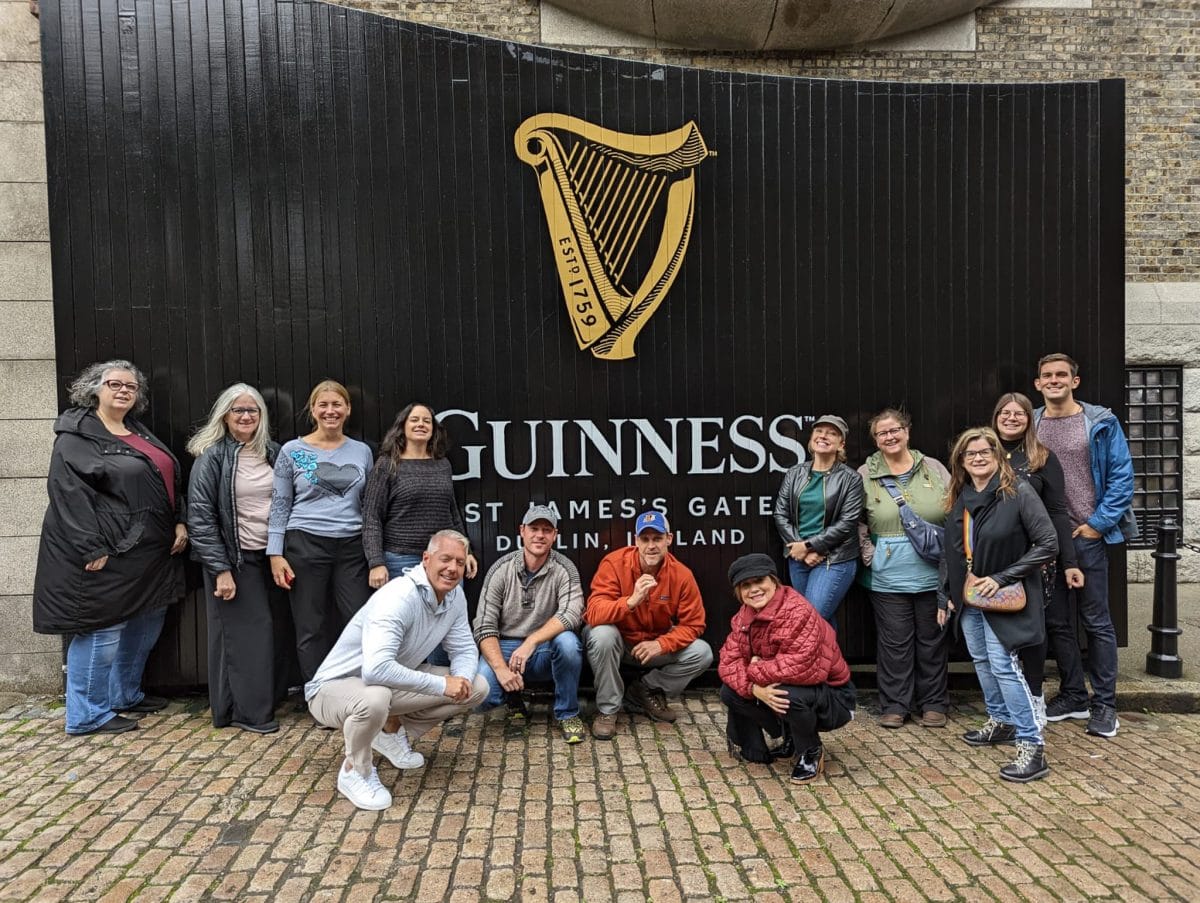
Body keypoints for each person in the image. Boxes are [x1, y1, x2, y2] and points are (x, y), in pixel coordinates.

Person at [33, 360, 188, 735]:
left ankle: (123, 694)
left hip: (148, 552)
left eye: (131, 387)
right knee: (101, 629)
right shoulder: (77, 435)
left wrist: (179, 519)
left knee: (147, 618)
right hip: (107, 551)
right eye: (115, 384)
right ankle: (86, 714)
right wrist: (91, 546)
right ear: (94, 388)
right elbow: (68, 494)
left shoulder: (135, 430)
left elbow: (165, 476)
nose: (123, 391)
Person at [305, 530, 488, 810]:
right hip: (333, 689)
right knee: (375, 698)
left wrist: (460, 678)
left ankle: (388, 733)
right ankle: (356, 770)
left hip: (387, 683)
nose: (452, 568)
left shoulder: (454, 598)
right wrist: (442, 685)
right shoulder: (398, 597)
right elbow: (375, 670)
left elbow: (463, 648)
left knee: (476, 687)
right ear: (426, 559)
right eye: (445, 559)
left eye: (460, 563)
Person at [940, 427, 1058, 783]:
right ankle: (1002, 721)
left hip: (1004, 595)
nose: (977, 458)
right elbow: (953, 552)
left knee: (1004, 665)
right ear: (960, 461)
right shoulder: (960, 497)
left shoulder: (1018, 492)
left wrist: (1003, 577)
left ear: (997, 456)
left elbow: (1048, 543)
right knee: (981, 659)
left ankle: (1031, 744)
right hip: (970, 596)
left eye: (984, 452)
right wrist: (945, 591)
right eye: (969, 453)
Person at [1034, 353, 1136, 738]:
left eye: (1062, 375)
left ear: (1075, 381)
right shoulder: (1032, 422)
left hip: (1087, 538)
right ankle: (1073, 694)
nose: (1055, 380)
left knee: (1096, 621)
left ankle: (1105, 704)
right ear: (1038, 383)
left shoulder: (1100, 423)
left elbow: (1122, 478)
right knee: (1057, 622)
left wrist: (1097, 524)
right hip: (1047, 540)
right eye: (1047, 375)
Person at [187, 383, 286, 734]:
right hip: (235, 559)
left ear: (262, 417)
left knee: (269, 633)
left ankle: (262, 702)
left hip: (271, 556)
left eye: (252, 411)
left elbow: (315, 480)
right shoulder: (210, 456)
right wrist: (220, 570)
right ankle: (248, 713)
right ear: (225, 416)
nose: (246, 416)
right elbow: (200, 517)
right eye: (238, 410)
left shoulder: (275, 452)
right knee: (247, 635)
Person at [718, 554, 856, 784]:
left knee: (784, 692)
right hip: (787, 683)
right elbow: (727, 663)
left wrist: (754, 668)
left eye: (759, 581)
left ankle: (810, 751)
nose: (753, 589)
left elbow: (800, 667)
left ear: (774, 581)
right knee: (729, 691)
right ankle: (779, 742)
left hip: (834, 697)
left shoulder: (797, 611)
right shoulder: (744, 616)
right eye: (745, 585)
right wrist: (754, 689)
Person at [268, 380, 374, 681]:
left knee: (358, 620)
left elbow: (368, 504)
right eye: (323, 405)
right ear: (313, 410)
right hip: (305, 544)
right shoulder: (292, 450)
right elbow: (279, 503)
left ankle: (354, 689)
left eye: (337, 404)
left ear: (348, 409)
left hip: (352, 547)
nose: (331, 411)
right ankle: (318, 693)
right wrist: (275, 553)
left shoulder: (362, 451)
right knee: (309, 626)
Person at [992, 392, 1085, 728]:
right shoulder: (984, 452)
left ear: (1030, 420)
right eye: (1006, 412)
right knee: (1004, 629)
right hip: (997, 558)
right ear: (996, 416)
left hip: (1039, 558)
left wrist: (1069, 561)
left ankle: (1055, 696)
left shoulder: (1042, 457)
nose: (1012, 418)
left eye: (1019, 413)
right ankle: (1010, 698)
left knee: (1049, 626)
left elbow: (1059, 512)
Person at [858, 408, 952, 729]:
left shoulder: (935, 468)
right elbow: (855, 519)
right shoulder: (864, 473)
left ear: (907, 432)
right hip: (887, 575)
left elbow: (954, 510)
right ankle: (895, 704)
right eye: (882, 433)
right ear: (876, 440)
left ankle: (933, 703)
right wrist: (868, 552)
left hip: (933, 571)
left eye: (895, 429)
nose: (890, 436)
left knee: (932, 640)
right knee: (894, 643)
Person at [584, 511, 713, 740]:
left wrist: (662, 644)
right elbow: (593, 613)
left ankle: (645, 689)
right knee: (601, 634)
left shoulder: (681, 575)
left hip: (652, 647)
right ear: (636, 541)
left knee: (702, 652)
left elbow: (694, 624)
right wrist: (631, 601)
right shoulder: (614, 564)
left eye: (657, 538)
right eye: (645, 539)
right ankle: (608, 709)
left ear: (669, 539)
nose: (651, 545)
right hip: (619, 643)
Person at [472, 505, 586, 743]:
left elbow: (572, 614)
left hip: (543, 647)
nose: (540, 535)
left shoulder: (565, 569)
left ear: (555, 535)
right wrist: (502, 670)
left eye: (546, 530)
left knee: (568, 643)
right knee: (481, 697)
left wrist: (532, 640)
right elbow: (484, 625)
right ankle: (513, 698)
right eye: (534, 528)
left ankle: (567, 713)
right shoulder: (500, 569)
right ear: (522, 531)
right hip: (505, 647)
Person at [363, 401, 478, 589]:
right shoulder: (387, 465)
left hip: (444, 557)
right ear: (403, 427)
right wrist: (376, 562)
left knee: (446, 616)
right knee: (407, 618)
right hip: (401, 561)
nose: (421, 424)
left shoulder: (442, 465)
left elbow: (452, 514)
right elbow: (372, 517)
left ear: (433, 429)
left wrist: (466, 551)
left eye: (427, 421)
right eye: (414, 420)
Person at [773, 414, 864, 627]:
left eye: (832, 433)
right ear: (811, 438)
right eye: (819, 431)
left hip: (835, 558)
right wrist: (800, 548)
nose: (824, 436)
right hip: (798, 558)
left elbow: (847, 522)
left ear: (841, 444)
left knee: (811, 617)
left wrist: (809, 546)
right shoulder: (795, 473)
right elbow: (780, 514)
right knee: (820, 621)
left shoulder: (850, 478)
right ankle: (829, 661)